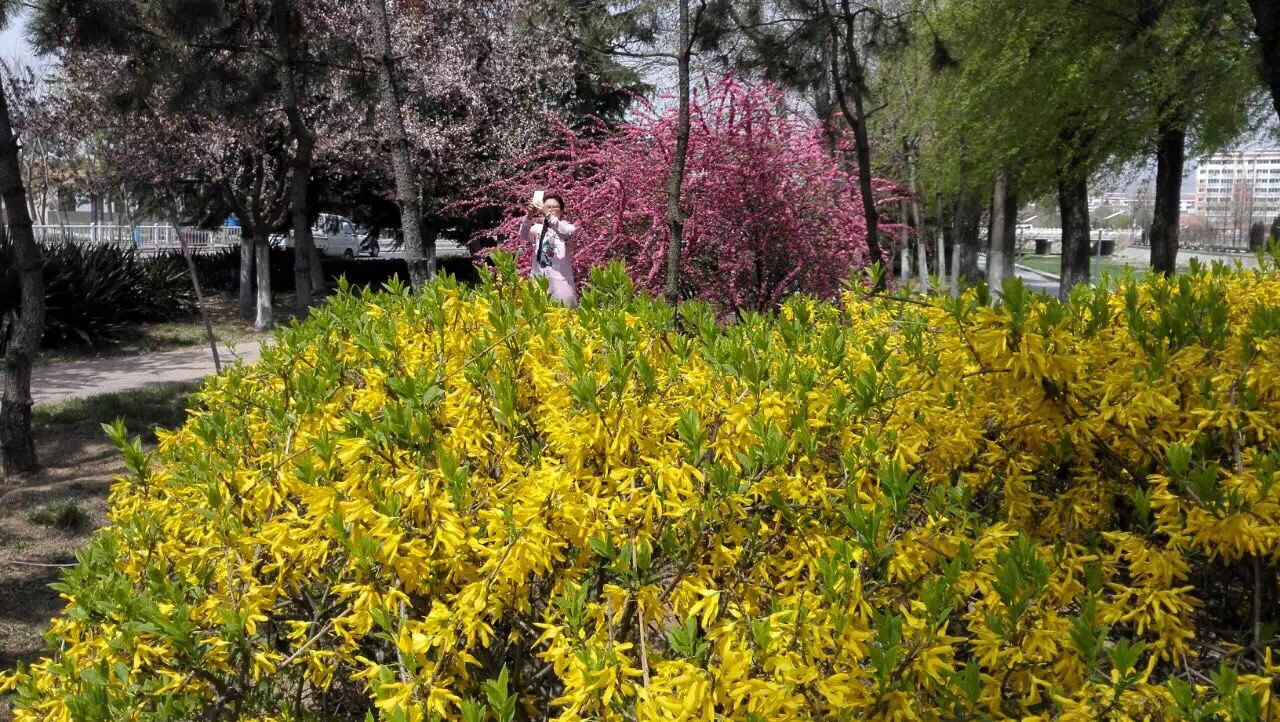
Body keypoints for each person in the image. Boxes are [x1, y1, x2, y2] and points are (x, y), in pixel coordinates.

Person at [519, 192, 577, 307]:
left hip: (561, 283)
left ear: (561, 211)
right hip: (539, 281)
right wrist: (529, 215)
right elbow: (523, 235)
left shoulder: (569, 228)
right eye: (547, 207)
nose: (550, 210)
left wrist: (548, 215)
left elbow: (564, 233)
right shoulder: (537, 229)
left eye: (554, 207)